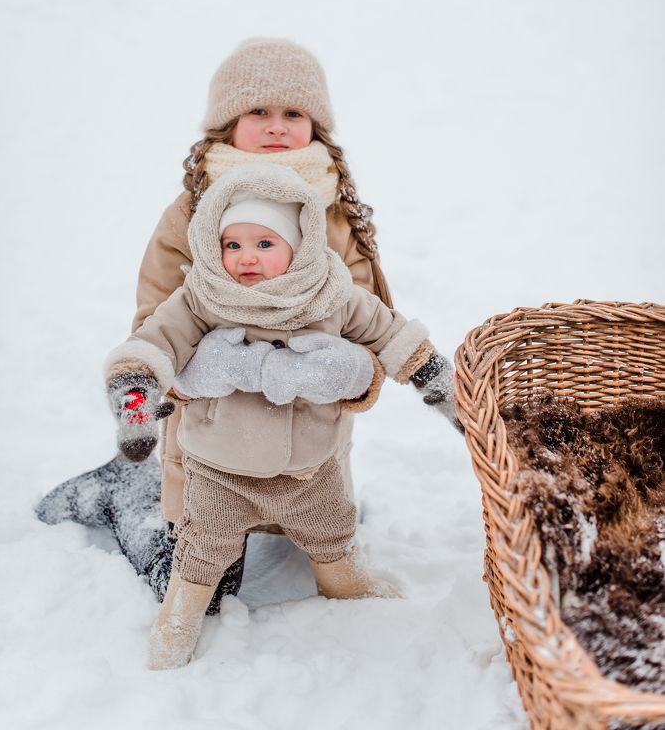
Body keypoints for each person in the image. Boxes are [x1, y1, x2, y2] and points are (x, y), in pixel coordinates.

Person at [36, 37, 456, 611]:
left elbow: (369, 319)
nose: (277, 125)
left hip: (307, 444)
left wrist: (349, 373)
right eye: (258, 110)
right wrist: (191, 373)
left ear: (316, 126)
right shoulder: (192, 211)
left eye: (294, 113)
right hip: (211, 442)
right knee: (207, 586)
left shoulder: (335, 213)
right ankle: (125, 492)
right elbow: (157, 316)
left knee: (323, 536)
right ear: (227, 124)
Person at [104, 163, 455, 668]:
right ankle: (176, 623)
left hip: (309, 470)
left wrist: (434, 379)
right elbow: (155, 340)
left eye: (264, 243)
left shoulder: (333, 294)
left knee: (331, 534)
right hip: (219, 470)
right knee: (201, 552)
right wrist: (136, 391)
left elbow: (391, 334)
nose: (245, 257)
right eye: (232, 244)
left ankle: (345, 585)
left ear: (300, 244)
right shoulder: (204, 296)